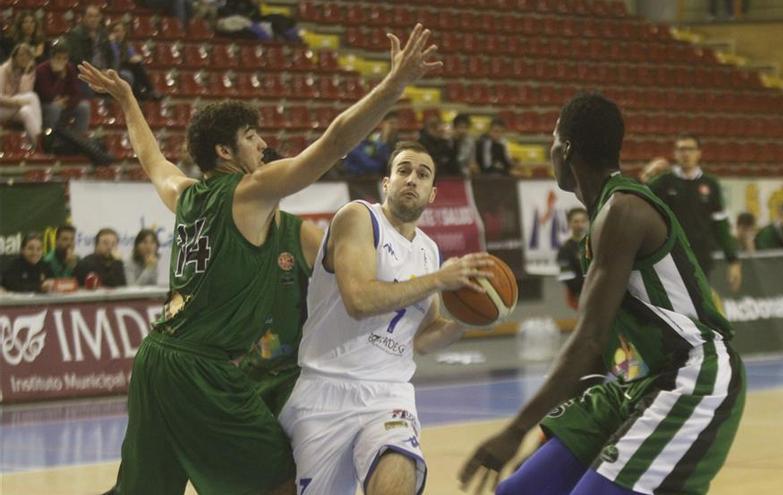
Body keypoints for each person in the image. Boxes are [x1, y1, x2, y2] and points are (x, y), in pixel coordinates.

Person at [79, 22, 440, 495]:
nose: (263, 145)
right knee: (281, 480)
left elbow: (151, 159)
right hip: (202, 368)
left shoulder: (185, 194)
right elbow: (332, 144)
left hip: (153, 361)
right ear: (226, 151)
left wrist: (127, 101)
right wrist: (392, 86)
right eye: (252, 136)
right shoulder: (249, 192)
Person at [460, 93, 745, 495]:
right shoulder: (600, 220)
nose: (550, 149)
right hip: (632, 381)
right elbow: (599, 350)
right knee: (520, 491)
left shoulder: (622, 210)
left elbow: (589, 336)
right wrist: (552, 434)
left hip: (691, 373)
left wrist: (514, 430)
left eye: (554, 139)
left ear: (568, 147)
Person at [280, 141, 496, 495]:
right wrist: (440, 279)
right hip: (326, 389)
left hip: (389, 395)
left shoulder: (428, 251)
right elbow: (359, 299)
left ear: (432, 194)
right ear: (386, 182)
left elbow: (423, 338)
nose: (412, 179)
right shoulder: (358, 217)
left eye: (422, 174)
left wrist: (469, 320)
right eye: (404, 170)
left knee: (399, 469)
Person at [238, 210, 322, 416]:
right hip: (246, 373)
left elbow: (347, 292)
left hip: (296, 375)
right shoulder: (223, 235)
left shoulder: (302, 235)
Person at [648, 133, 741, 291]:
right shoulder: (663, 182)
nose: (686, 154)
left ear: (699, 153)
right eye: (681, 149)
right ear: (675, 153)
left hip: (701, 257)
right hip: (670, 257)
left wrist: (733, 261)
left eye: (690, 149)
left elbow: (721, 225)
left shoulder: (710, 185)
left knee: (700, 306)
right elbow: (636, 198)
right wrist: (647, 175)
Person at [35, 38, 91, 136]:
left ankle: (79, 141)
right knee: (54, 108)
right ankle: (50, 141)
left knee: (84, 107)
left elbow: (77, 93)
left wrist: (66, 102)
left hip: (64, 103)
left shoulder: (70, 68)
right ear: (51, 57)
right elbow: (47, 95)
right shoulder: (41, 70)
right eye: (58, 58)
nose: (62, 61)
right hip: (45, 105)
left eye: (65, 58)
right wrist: (60, 77)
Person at [106, 21, 162, 101]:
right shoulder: (108, 44)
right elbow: (116, 60)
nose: (120, 33)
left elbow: (134, 57)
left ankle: (146, 93)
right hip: (112, 69)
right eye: (116, 31)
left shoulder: (125, 45)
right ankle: (149, 91)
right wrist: (112, 43)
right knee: (135, 67)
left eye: (122, 31)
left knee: (136, 67)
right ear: (111, 33)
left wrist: (137, 58)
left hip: (125, 68)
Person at [0, 43, 42, 145]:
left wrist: (26, 74)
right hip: (2, 108)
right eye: (21, 55)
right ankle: (41, 138)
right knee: (33, 97)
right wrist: (16, 102)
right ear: (14, 57)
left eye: (27, 55)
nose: (24, 58)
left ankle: (37, 144)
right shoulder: (3, 69)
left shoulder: (28, 72)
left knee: (26, 111)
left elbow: (24, 93)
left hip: (16, 108)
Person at [343, 111, 399, 176]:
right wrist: (384, 142)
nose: (394, 127)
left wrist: (385, 141)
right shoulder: (353, 145)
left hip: (375, 181)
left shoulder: (376, 140)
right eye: (391, 123)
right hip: (353, 181)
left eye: (396, 124)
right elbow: (371, 166)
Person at [556, 207, 588, 310]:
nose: (580, 225)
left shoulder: (594, 243)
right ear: (569, 224)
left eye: (583, 221)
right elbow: (566, 276)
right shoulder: (565, 249)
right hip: (579, 296)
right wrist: (587, 288)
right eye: (576, 221)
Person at [65, 4, 112, 69]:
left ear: (100, 18)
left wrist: (113, 71)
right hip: (87, 72)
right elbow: (79, 60)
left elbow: (111, 55)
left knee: (125, 77)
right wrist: (99, 72)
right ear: (84, 18)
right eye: (90, 16)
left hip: (105, 71)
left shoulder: (103, 33)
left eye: (96, 16)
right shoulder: (76, 34)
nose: (93, 19)